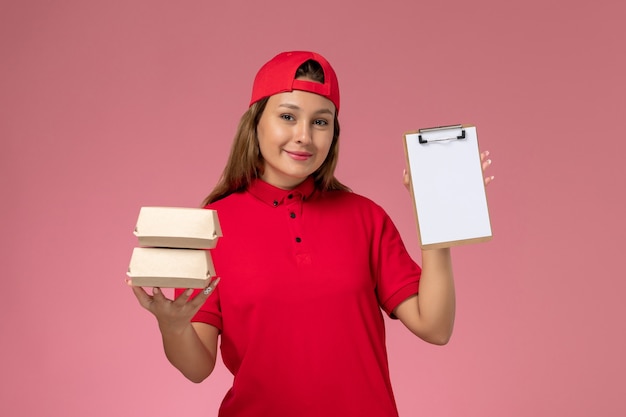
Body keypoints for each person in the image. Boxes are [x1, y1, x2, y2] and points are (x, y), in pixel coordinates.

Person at [130, 50, 493, 416]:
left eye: (321, 122)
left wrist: (438, 222)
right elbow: (197, 368)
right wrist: (173, 325)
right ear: (255, 123)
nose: (304, 136)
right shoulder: (210, 226)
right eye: (288, 116)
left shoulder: (366, 217)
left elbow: (435, 327)